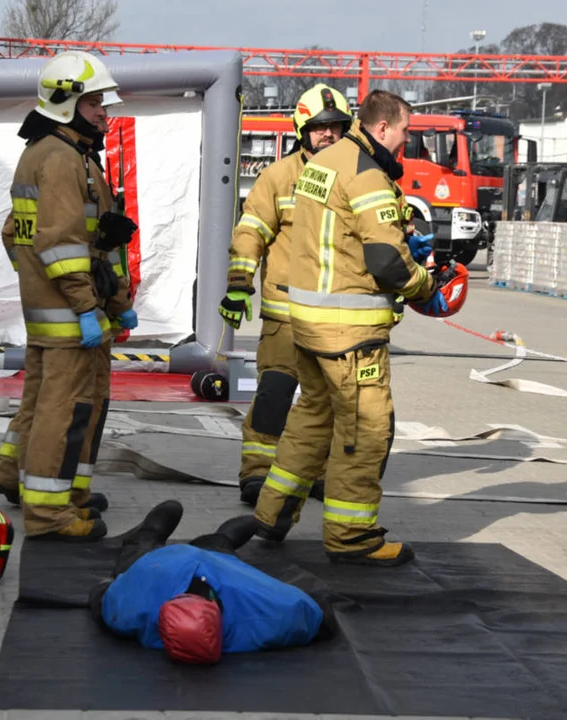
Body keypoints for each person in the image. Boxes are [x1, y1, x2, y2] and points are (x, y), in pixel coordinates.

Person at [251, 90, 438, 567]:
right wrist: (423, 285)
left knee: (312, 422)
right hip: (349, 333)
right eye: (404, 131)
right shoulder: (366, 172)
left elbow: (343, 237)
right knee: (366, 430)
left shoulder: (325, 161)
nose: (405, 141)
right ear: (382, 129)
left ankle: (271, 515)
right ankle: (352, 536)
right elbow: (384, 262)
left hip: (310, 325)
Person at [0, 51, 139, 541]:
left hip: (53, 306)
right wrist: (83, 306)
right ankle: (49, 513)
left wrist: (113, 300)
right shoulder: (59, 158)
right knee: (68, 409)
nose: (105, 111)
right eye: (95, 100)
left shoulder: (50, 151)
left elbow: (16, 234)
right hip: (68, 313)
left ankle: (19, 479)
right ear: (67, 102)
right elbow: (60, 246)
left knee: (42, 401)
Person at [220, 84, 353, 507]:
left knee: (334, 401)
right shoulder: (277, 178)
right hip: (286, 315)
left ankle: (318, 473)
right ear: (302, 129)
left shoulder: (357, 179)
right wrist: (239, 285)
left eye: (336, 128)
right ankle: (258, 473)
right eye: (320, 128)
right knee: (275, 394)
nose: (328, 135)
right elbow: (250, 233)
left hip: (336, 317)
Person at [89, 500, 331, 664]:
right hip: (221, 569)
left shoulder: (131, 610)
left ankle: (147, 535)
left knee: (135, 557)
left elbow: (103, 596)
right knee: (219, 550)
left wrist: (106, 584)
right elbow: (313, 612)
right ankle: (221, 538)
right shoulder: (266, 615)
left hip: (159, 568)